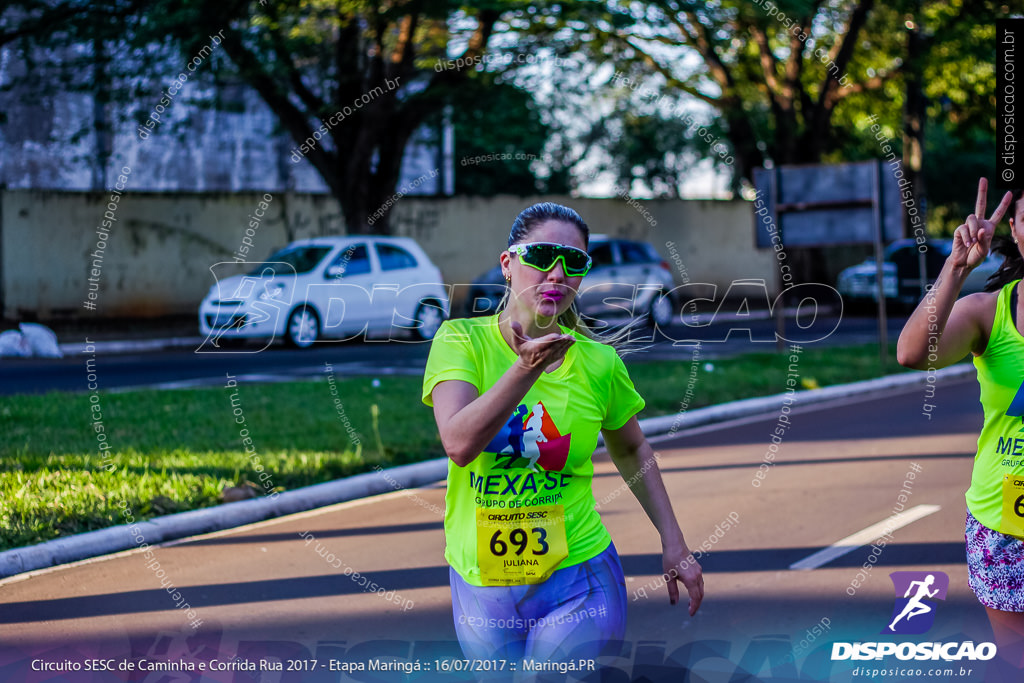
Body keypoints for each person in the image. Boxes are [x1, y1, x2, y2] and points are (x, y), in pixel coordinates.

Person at [421, 202, 703, 667]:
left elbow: (632, 448)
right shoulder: (460, 341)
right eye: (543, 256)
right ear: (508, 265)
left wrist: (674, 542)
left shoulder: (599, 363)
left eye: (574, 261)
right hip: (482, 582)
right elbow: (459, 444)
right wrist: (525, 369)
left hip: (579, 576)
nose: (557, 272)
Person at [897, 179, 1024, 679]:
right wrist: (956, 268)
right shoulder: (989, 312)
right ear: (1014, 229)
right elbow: (911, 353)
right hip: (1006, 527)